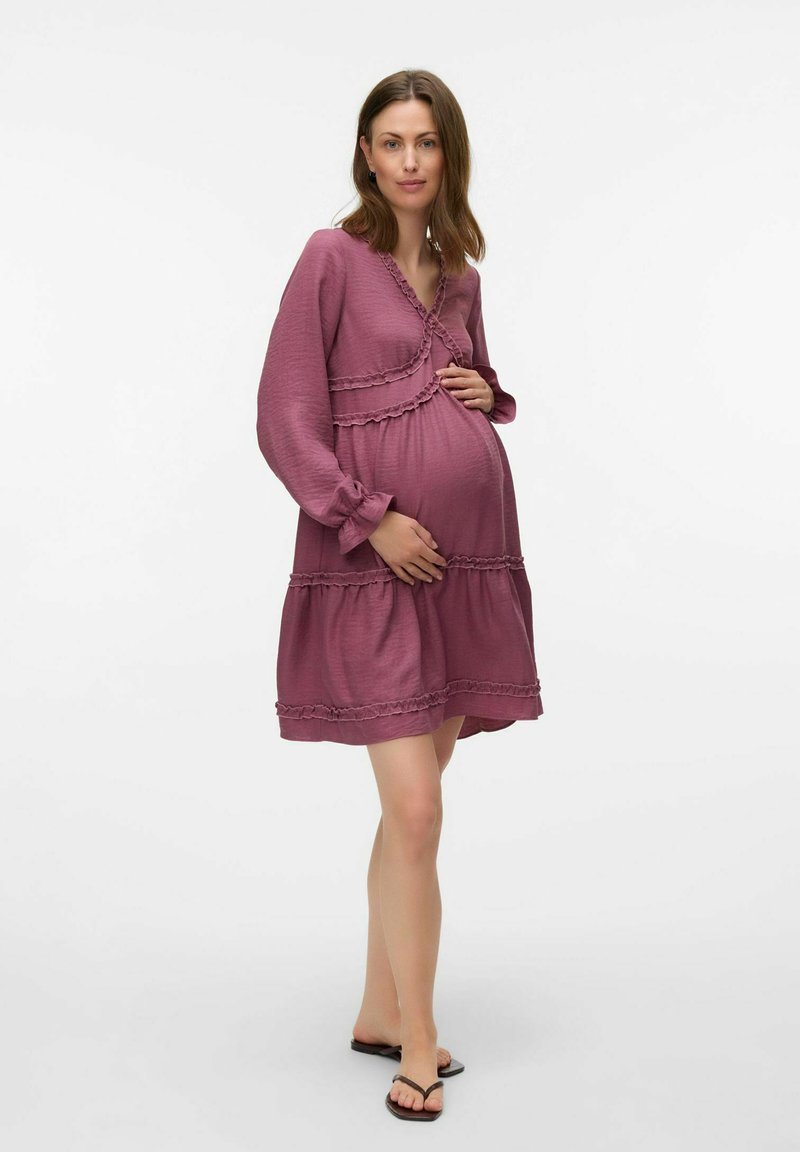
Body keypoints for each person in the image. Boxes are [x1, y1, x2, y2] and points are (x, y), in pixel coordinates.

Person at [256, 69, 544, 1121]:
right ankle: (418, 1044)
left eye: (426, 142)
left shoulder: (459, 273)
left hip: (464, 567)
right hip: (373, 565)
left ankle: (379, 1007)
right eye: (391, 142)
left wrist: (482, 391)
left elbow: (474, 384)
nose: (410, 160)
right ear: (366, 155)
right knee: (417, 808)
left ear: (447, 152)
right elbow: (284, 416)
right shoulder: (330, 258)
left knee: (410, 809)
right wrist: (368, 517)